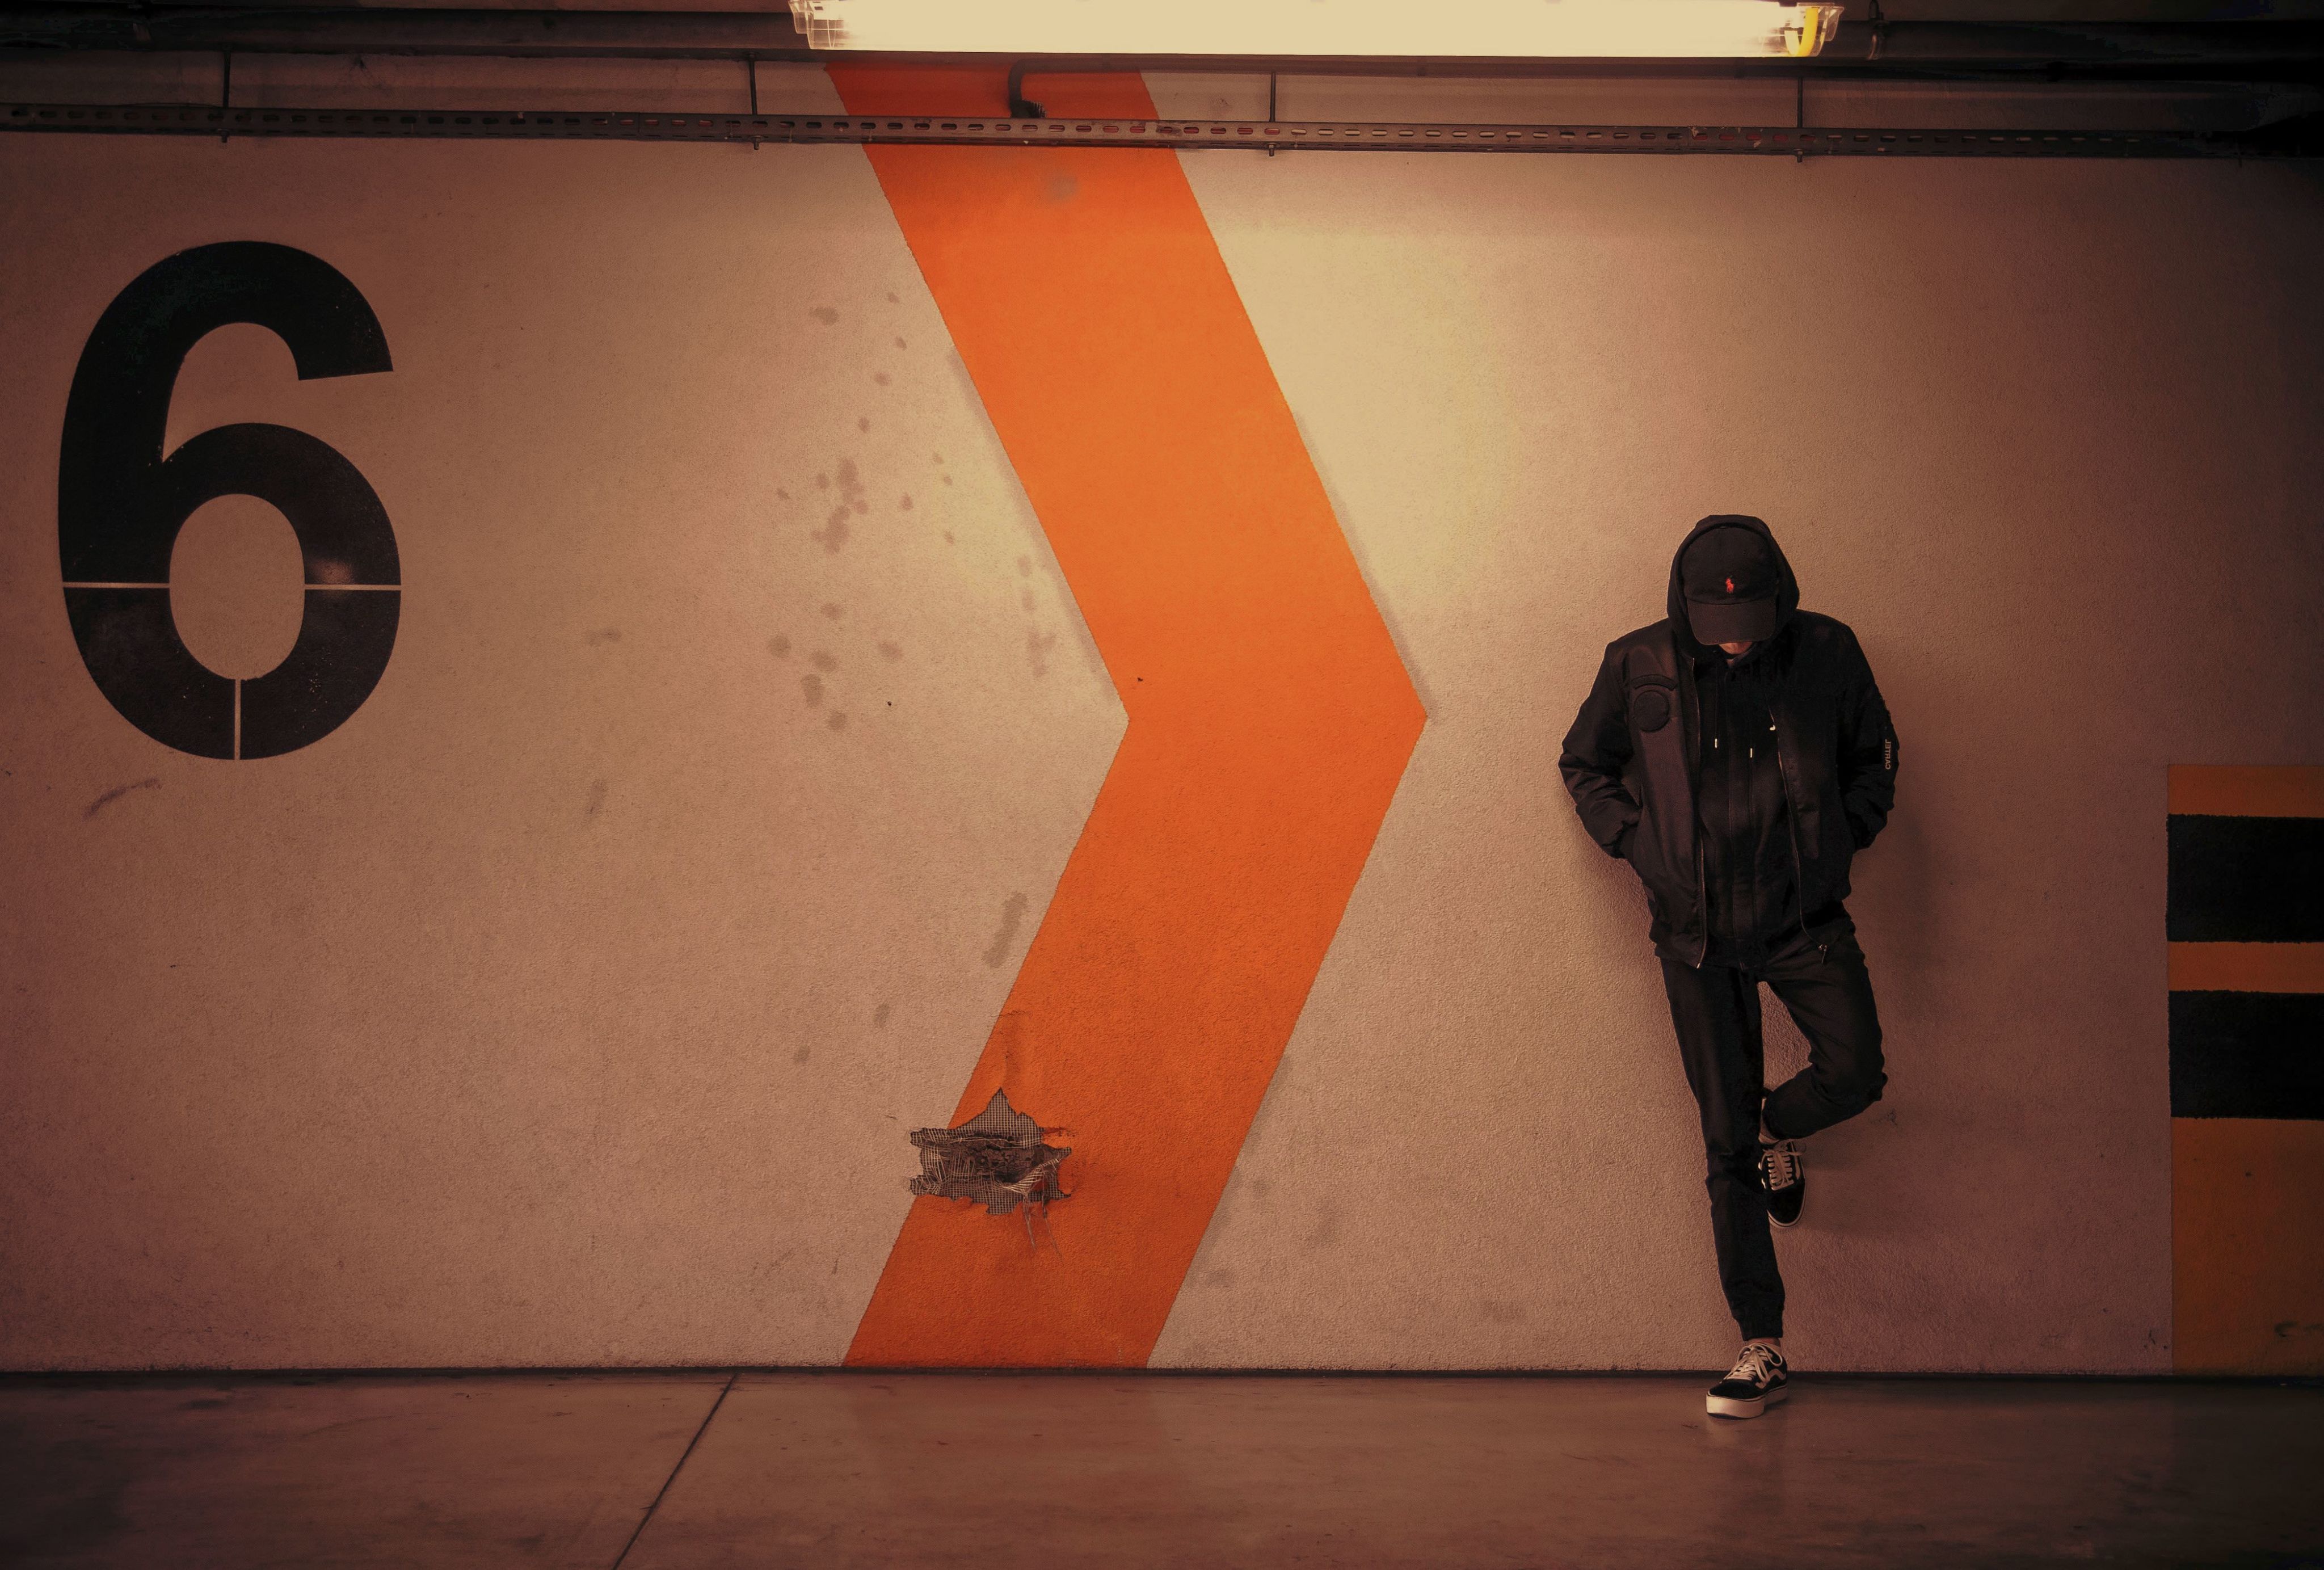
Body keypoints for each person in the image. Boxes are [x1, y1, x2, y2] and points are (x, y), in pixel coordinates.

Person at [1559, 515, 1898, 1420]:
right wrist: (1640, 844)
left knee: (1855, 1072)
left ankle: (1777, 1128)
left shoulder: (1828, 652)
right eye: (1716, 624)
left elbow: (1875, 757)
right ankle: (1761, 1345)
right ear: (1685, 605)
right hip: (1697, 930)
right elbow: (1583, 762)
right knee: (1723, 1149)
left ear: (1783, 596)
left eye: (1750, 621)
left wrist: (1844, 837)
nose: (1736, 639)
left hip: (1802, 915)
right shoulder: (1638, 664)